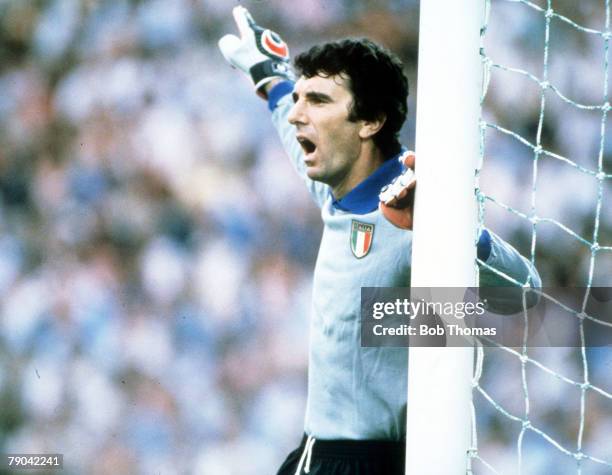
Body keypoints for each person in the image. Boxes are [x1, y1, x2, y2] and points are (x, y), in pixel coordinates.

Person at [218, 7, 541, 474]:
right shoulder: (342, 182)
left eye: (319, 101)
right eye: (302, 98)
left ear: (369, 122)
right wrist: (269, 73)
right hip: (315, 454)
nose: (297, 116)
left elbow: (525, 295)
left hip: (368, 462)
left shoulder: (413, 205)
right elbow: (291, 131)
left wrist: (450, 233)